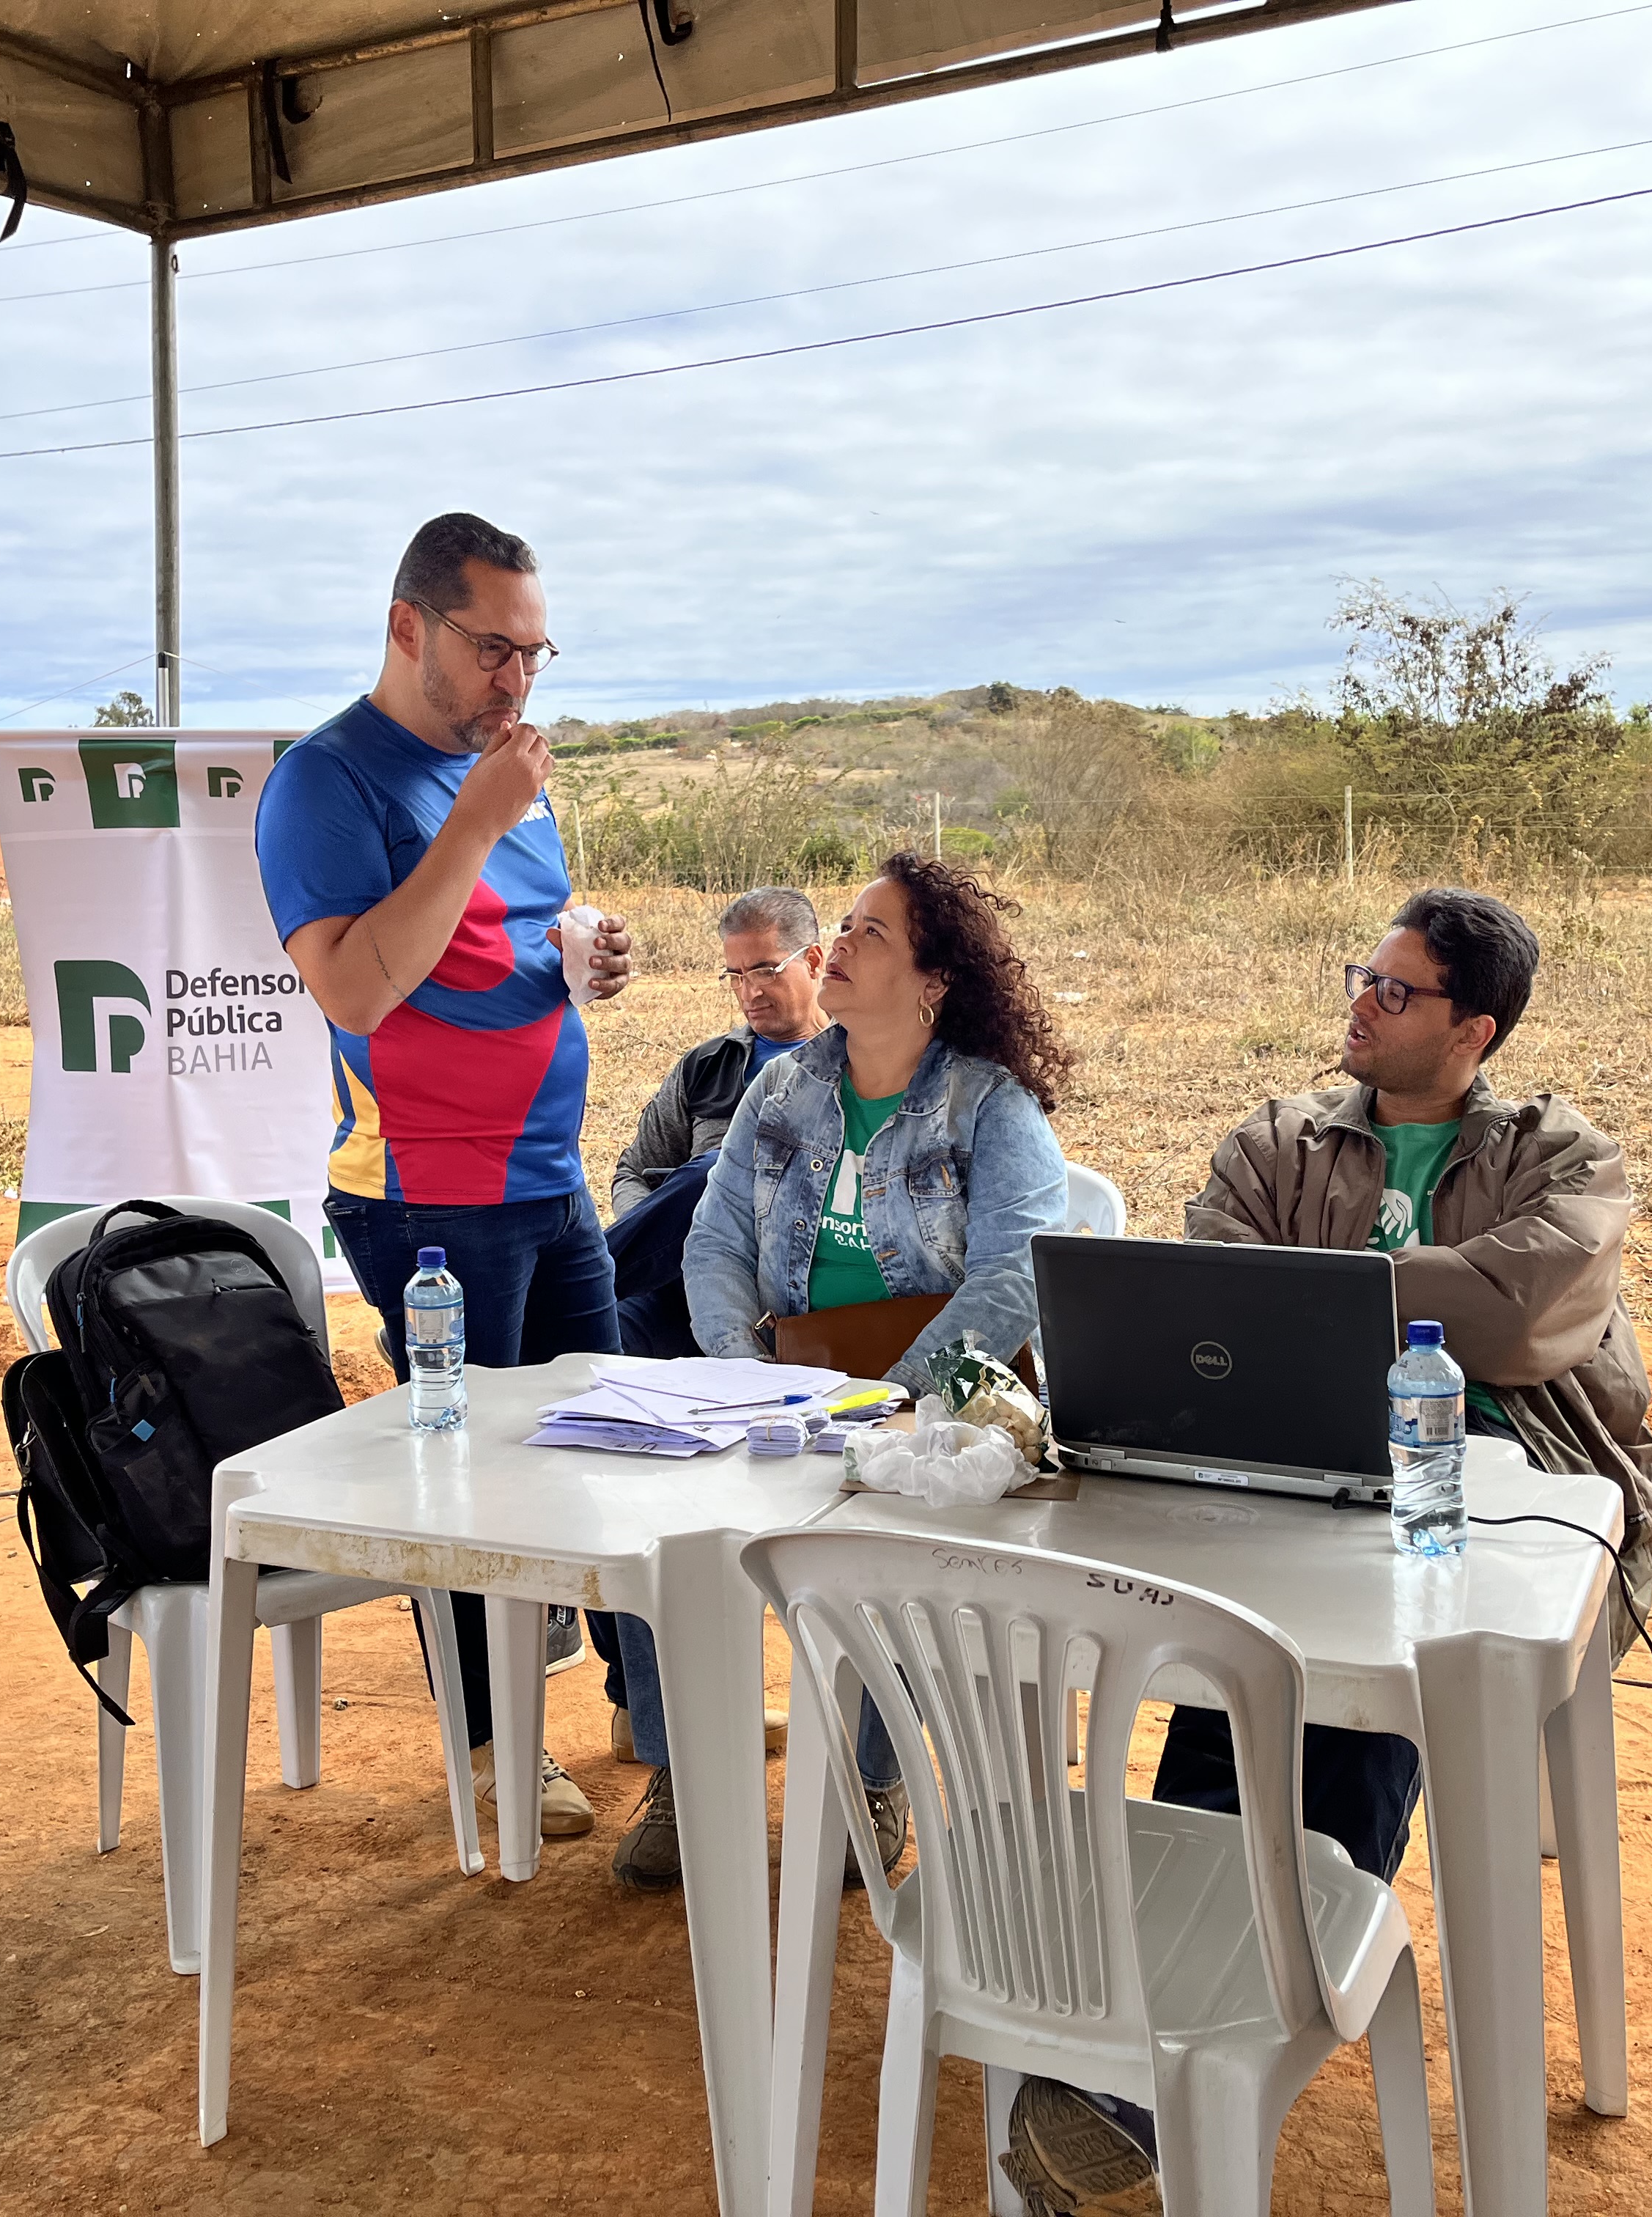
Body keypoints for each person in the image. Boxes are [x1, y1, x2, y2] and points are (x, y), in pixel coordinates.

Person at [1000, 885, 1652, 2213]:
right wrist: (1396, 1304)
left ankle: (1174, 2044)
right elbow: (1210, 1299)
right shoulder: (1280, 1136)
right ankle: (1175, 2016)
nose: (1362, 1003)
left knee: (1373, 1686)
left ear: (1473, 1030)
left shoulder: (1567, 1160)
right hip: (1285, 1478)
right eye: (1362, 974)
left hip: (1502, 1498)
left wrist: (1314, 1304)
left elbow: (1521, 1317)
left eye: (1397, 990)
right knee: (1225, 1663)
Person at [573, 853, 1074, 1894]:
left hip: (943, 1408)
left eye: (869, 932)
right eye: (842, 925)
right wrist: (742, 1373)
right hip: (791, 1391)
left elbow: (1014, 1280)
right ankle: (682, 1773)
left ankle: (873, 1777)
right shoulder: (785, 1086)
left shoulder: (991, 1105)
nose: (838, 945)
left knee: (889, 1535)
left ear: (933, 979)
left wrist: (890, 1399)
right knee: (656, 1524)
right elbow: (714, 1241)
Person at [255, 510, 635, 1845]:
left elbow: (497, 944)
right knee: (470, 1487)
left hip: (549, 1176)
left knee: (611, 1451)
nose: (516, 681)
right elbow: (356, 988)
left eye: (535, 654)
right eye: (492, 650)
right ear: (408, 625)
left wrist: (577, 957)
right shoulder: (327, 782)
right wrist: (474, 823)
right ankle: (494, 1749)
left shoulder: (506, 775)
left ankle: (645, 1706)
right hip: (427, 1196)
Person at [600, 885, 828, 1361]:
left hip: (783, 1283)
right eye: (735, 976)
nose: (750, 992)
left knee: (719, 1170)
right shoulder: (706, 1066)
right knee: (589, 1343)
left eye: (766, 970)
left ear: (813, 961)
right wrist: (661, 1229)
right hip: (677, 1278)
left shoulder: (855, 1066)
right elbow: (634, 1171)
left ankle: (565, 1287)